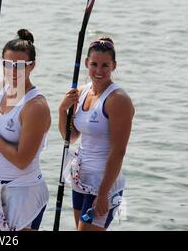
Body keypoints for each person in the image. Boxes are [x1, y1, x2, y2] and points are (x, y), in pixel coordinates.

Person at [0, 29, 51, 231]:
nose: (13, 72)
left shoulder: (35, 106)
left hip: (25, 191)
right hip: (0, 187)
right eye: (8, 65)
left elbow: (22, 160)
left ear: (32, 66)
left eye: (20, 66)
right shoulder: (1, 89)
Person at [58, 37, 135, 231]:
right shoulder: (81, 92)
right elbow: (71, 137)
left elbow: (119, 151)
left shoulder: (118, 100)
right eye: (94, 64)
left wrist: (103, 194)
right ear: (86, 63)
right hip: (81, 178)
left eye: (105, 65)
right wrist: (62, 110)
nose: (99, 71)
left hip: (104, 183)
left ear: (114, 66)